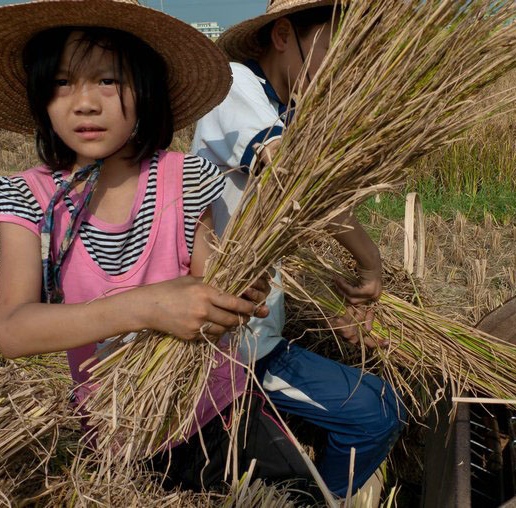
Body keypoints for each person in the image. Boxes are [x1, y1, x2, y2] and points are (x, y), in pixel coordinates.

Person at [0, 0, 297, 493]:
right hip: (121, 434)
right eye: (62, 83)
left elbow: (212, 280)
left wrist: (236, 294)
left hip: (220, 410)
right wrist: (148, 306)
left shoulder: (185, 179)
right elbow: (13, 330)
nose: (85, 103)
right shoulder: (30, 200)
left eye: (108, 81)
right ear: (41, 97)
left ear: (147, 90)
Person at [193, 0, 405, 500]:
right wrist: (369, 260)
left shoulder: (283, 108)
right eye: (337, 48)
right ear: (284, 34)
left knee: (377, 398)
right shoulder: (234, 86)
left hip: (257, 332)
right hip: (230, 353)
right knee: (375, 414)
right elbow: (294, 179)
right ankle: (312, 500)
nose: (344, 70)